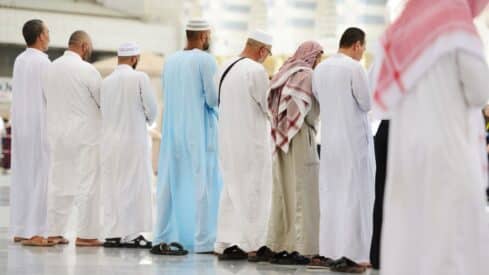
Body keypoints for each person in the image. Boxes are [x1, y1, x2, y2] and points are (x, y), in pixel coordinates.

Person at [371, 0, 489, 274]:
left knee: (413, 231)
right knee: (449, 236)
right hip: (448, 148)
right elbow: (479, 91)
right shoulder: (456, 23)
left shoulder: (401, 30)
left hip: (408, 152)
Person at [151, 19, 221, 255]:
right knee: (203, 184)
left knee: (171, 183)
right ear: (203, 36)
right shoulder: (205, 60)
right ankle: (202, 242)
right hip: (198, 131)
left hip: (173, 132)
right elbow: (212, 99)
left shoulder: (170, 61)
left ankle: (165, 235)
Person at [313, 27, 375, 272]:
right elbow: (366, 102)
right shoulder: (354, 68)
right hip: (354, 143)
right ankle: (357, 254)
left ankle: (331, 250)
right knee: (357, 197)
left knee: (333, 197)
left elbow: (318, 97)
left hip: (330, 144)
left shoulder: (320, 69)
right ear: (357, 45)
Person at [214, 30, 273, 259]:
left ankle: (226, 240)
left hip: (228, 139)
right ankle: (252, 244)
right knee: (253, 191)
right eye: (267, 53)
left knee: (231, 190)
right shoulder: (255, 70)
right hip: (251, 141)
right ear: (261, 50)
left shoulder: (225, 67)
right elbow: (267, 106)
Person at [45, 30, 103, 247]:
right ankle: (86, 235)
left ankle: (54, 232)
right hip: (85, 135)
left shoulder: (50, 69)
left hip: (57, 134)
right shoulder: (88, 70)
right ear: (85, 46)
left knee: (59, 182)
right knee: (87, 183)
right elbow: (102, 102)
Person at [266, 41, 323, 256]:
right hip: (300, 137)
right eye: (318, 57)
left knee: (284, 190)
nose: (318, 62)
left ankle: (281, 243)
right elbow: (309, 112)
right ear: (312, 56)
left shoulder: (285, 71)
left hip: (281, 138)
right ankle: (303, 247)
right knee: (303, 190)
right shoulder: (307, 75)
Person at [100, 42, 157, 248]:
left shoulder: (105, 82)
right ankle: (132, 234)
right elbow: (152, 109)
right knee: (134, 185)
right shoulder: (139, 78)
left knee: (112, 186)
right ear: (135, 59)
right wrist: (148, 120)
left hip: (109, 142)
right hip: (133, 140)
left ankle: (113, 233)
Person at [9, 19, 54, 247]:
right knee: (41, 177)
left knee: (22, 176)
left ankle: (20, 228)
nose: (49, 35)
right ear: (40, 36)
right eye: (47, 32)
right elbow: (51, 97)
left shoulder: (19, 60)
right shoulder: (44, 63)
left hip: (21, 127)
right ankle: (36, 231)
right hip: (39, 126)